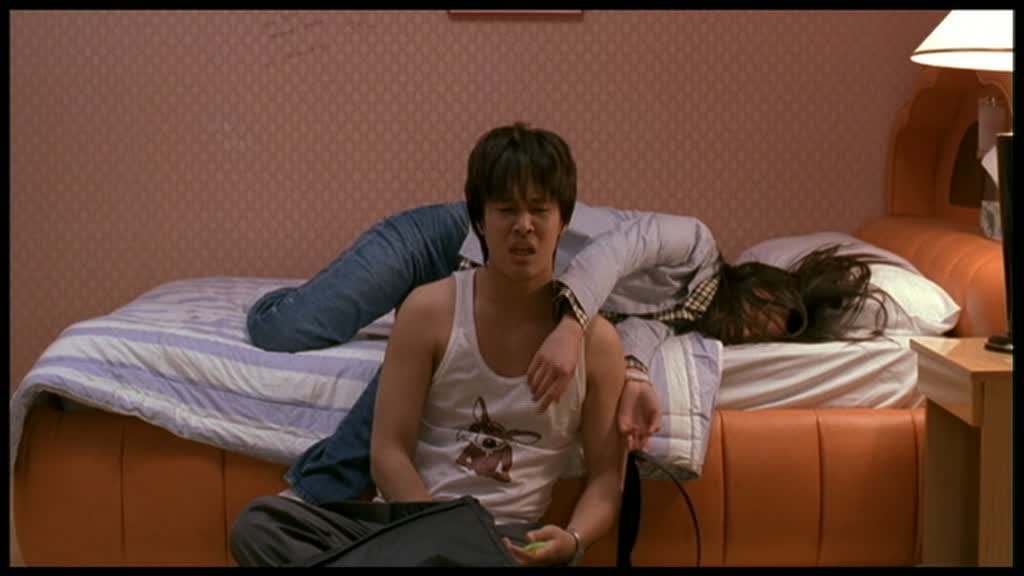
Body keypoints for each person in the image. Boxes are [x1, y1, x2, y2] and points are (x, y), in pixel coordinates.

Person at [248, 147, 894, 509]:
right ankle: (278, 299)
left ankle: (318, 494)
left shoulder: (686, 320)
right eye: (776, 315)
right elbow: (612, 252)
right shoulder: (695, 243)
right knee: (286, 330)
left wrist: (635, 379)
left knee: (409, 363)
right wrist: (569, 326)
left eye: (776, 335)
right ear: (761, 284)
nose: (762, 330)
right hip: (448, 237)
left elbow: (637, 339)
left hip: (476, 289)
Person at [231, 122, 627, 567]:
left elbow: (606, 478)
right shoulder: (429, 310)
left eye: (539, 210)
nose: (523, 226)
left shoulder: (597, 344)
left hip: (504, 541)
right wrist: (438, 534)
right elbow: (388, 451)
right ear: (480, 220)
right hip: (410, 522)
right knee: (262, 524)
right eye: (506, 210)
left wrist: (573, 541)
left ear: (563, 221)